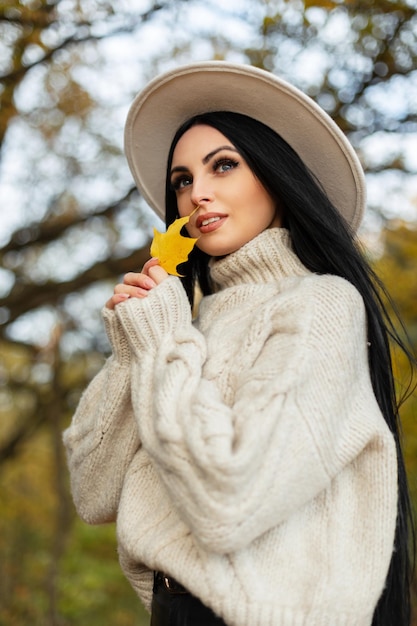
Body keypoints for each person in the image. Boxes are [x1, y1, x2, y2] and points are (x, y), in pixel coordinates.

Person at [63, 62, 415, 626]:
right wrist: (137, 345)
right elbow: (94, 493)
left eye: (223, 166)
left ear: (275, 177)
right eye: (182, 180)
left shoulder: (321, 305)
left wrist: (163, 342)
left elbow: (228, 504)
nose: (197, 193)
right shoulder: (183, 329)